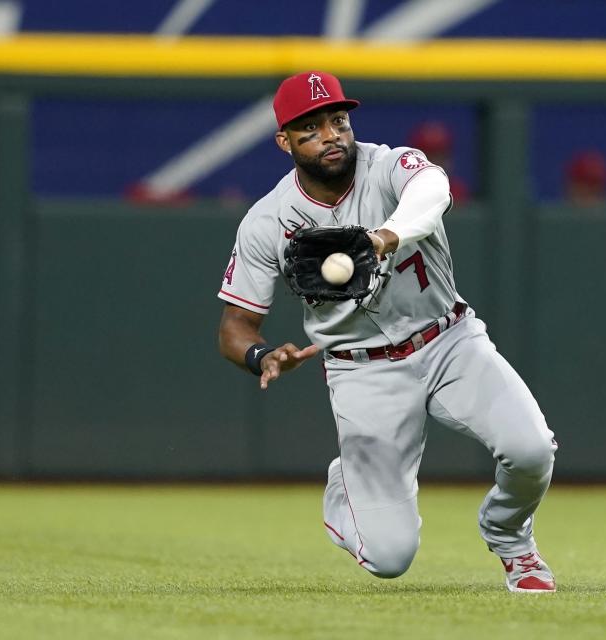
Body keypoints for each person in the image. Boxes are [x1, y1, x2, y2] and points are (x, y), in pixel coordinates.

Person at [216, 71, 558, 592]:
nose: (330, 135)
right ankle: (347, 481)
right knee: (389, 558)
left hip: (448, 341)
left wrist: (386, 235)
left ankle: (509, 535)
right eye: (311, 128)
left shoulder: (391, 165)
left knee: (532, 449)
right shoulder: (267, 221)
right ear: (284, 141)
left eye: (338, 120)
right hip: (363, 371)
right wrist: (261, 354)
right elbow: (235, 327)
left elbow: (433, 187)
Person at [407, 121, 471, 203]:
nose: (435, 163)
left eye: (441, 156)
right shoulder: (401, 193)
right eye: (429, 157)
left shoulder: (458, 193)